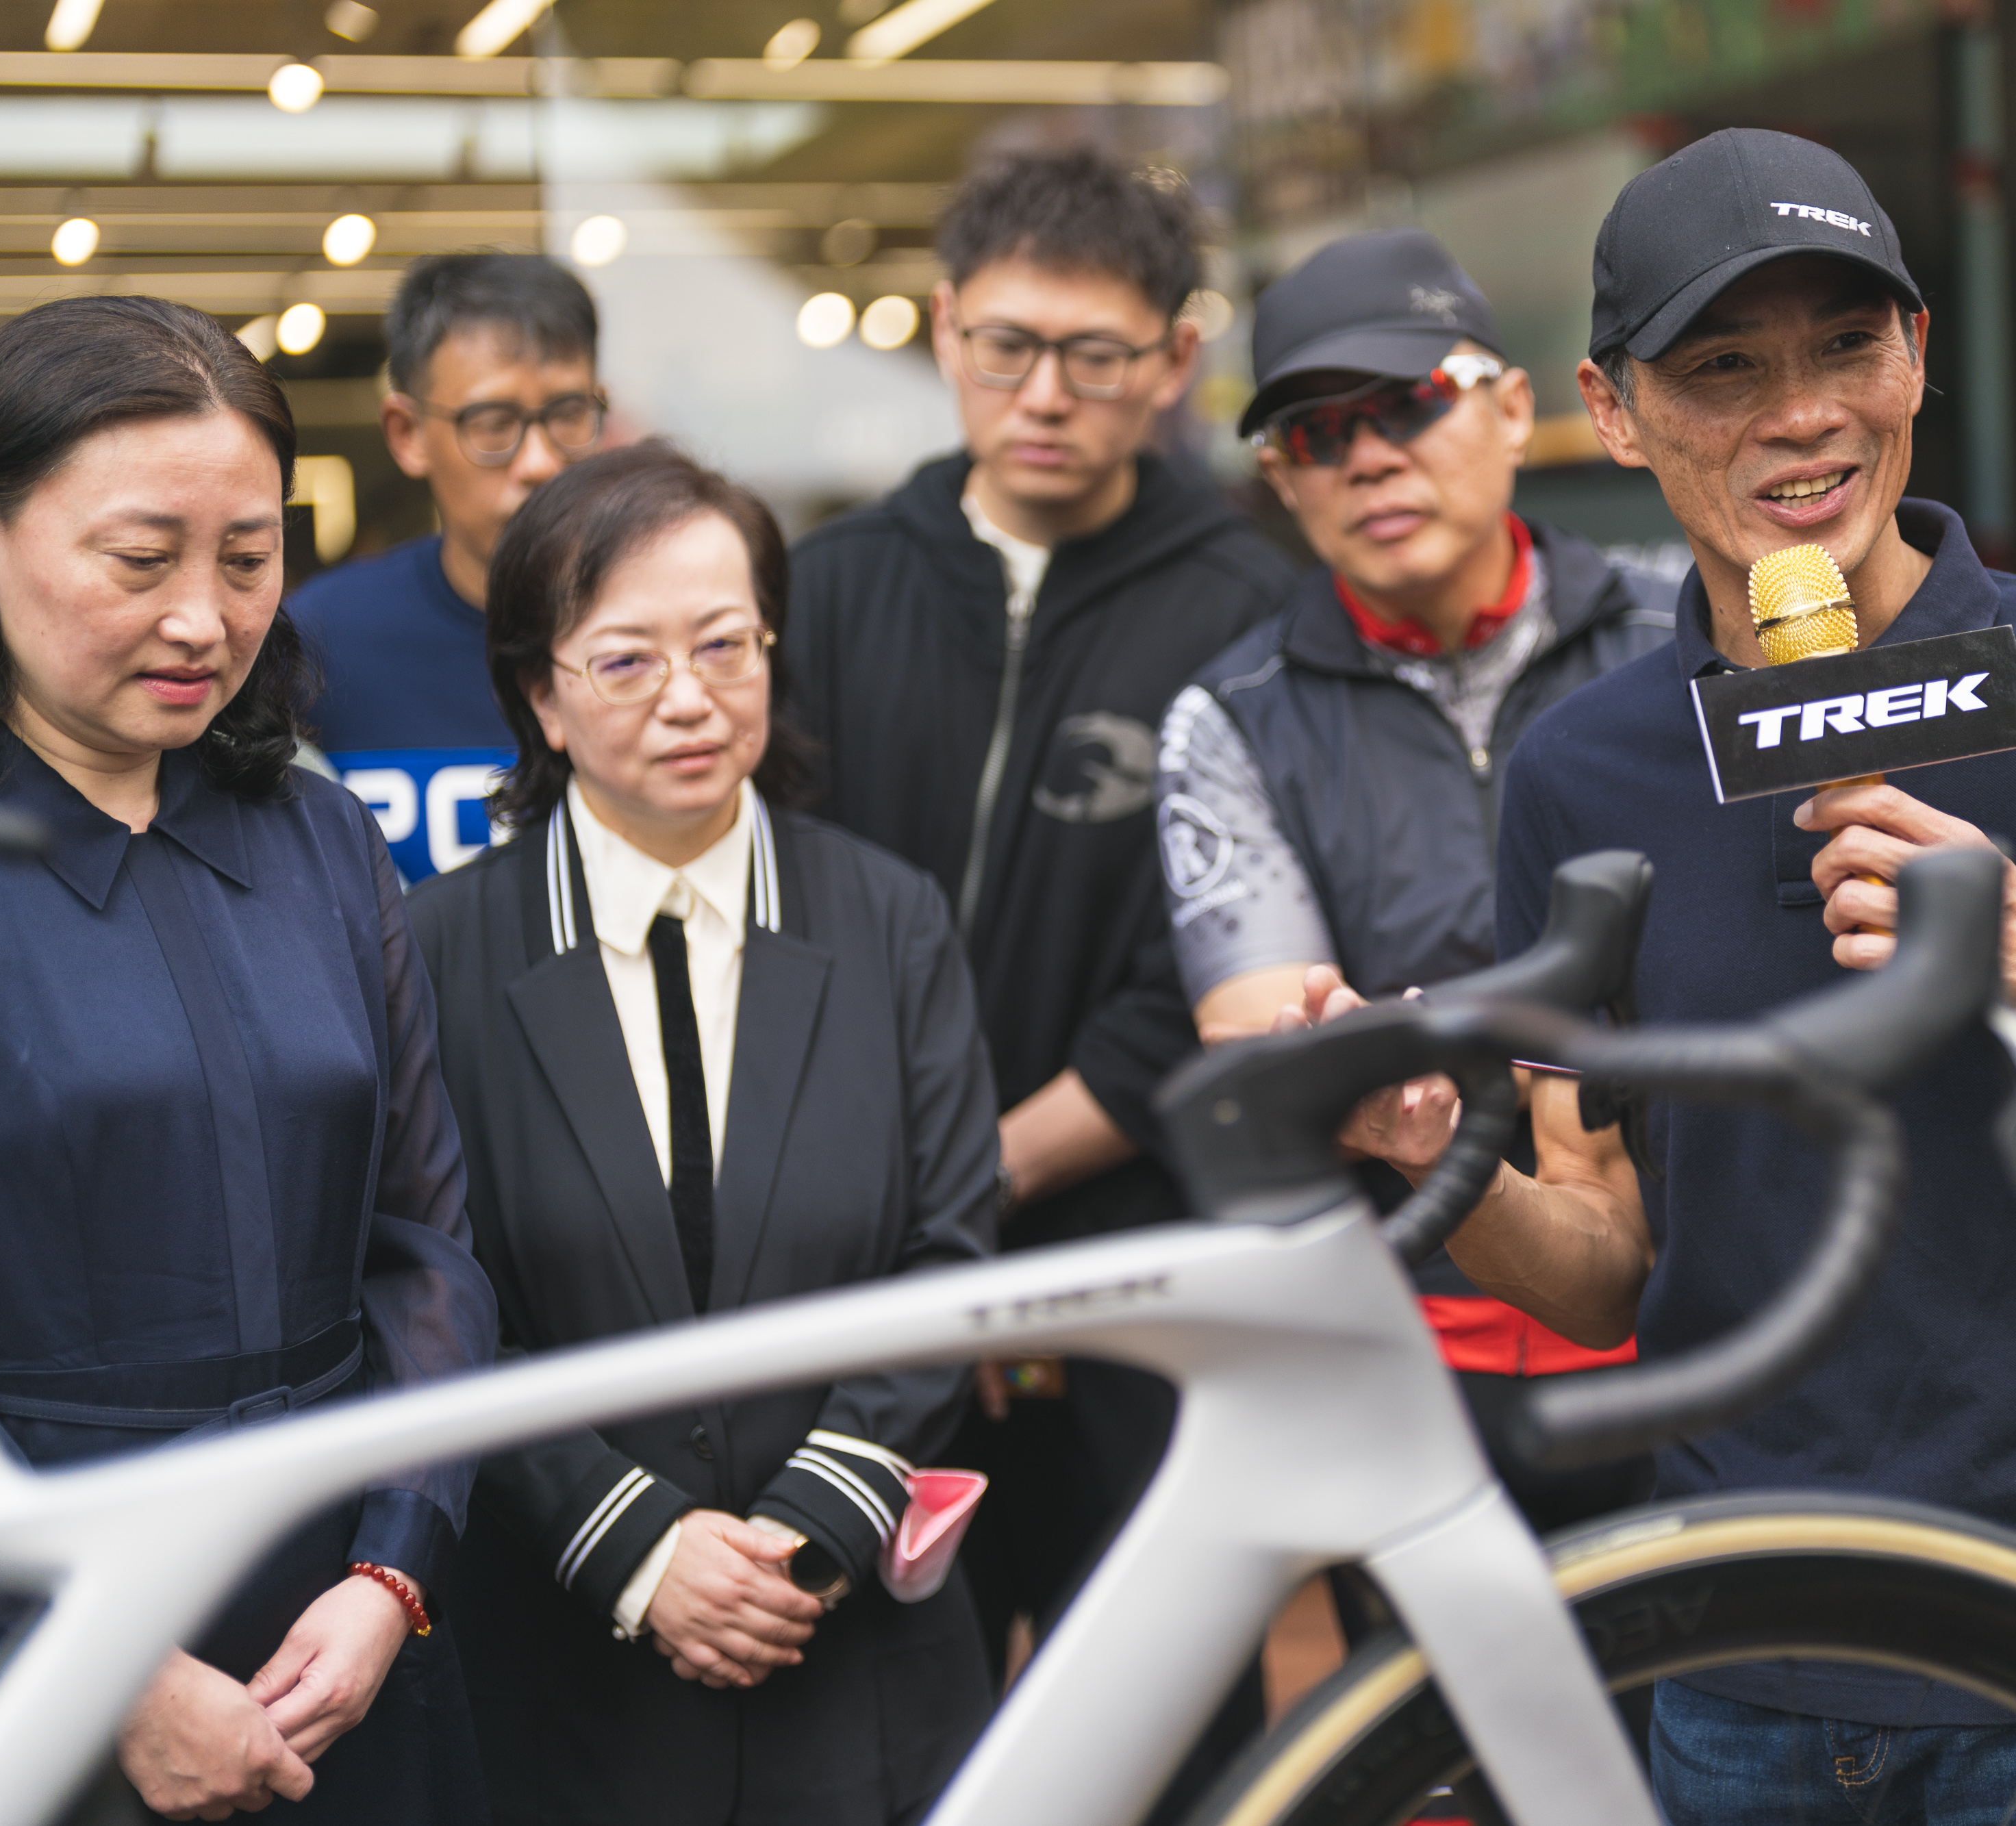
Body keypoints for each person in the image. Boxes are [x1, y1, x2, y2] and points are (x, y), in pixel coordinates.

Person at [1331, 130, 2016, 1821]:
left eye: (1843, 345)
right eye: (1720, 369)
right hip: (1744, 1639)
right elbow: (1603, 1271)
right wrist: (1431, 1161)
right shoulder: (1578, 768)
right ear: (1608, 413)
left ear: (1915, 355)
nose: (1800, 413)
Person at [783, 144, 1294, 1763]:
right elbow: (791, 914)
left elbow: (1199, 983)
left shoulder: (1249, 614)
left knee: (1159, 1724)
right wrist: (906, 1217)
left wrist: (978, 1189)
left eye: (1094, 356)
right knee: (869, 1718)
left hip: (1130, 1260)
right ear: (942, 333)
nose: (1045, 394)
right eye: (1006, 346)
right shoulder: (826, 591)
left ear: (1171, 361)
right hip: (852, 1272)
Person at [0, 296, 497, 1821]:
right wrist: (102, 1662)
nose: (204, 617)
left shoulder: (320, 835)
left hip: (345, 1624)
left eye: (247, 559)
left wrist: (396, 1563)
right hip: (30, 1624)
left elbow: (426, 1243)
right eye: (142, 560)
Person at [410, 442, 1002, 1825]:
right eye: (624, 661)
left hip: (852, 1646)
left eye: (726, 644)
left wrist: (798, 1539)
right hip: (568, 1668)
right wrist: (638, 1547)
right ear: (538, 696)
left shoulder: (887, 915)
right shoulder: (436, 949)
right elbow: (433, 1294)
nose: (690, 697)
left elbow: (951, 1256)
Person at [1158, 228, 1673, 1544]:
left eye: (1407, 404)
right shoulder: (1231, 719)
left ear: (1514, 409)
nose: (1369, 455)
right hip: (1403, 1356)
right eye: (1317, 435)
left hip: (1706, 1317)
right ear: (1279, 477)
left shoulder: (1683, 633)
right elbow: (1279, 1039)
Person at [287, 253, 607, 881]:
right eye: (494, 425)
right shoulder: (319, 643)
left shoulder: (667, 634)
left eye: (569, 415)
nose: (539, 461)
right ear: (407, 433)